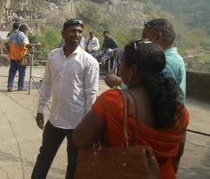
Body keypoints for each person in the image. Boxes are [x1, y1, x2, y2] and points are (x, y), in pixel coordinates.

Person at [73, 40, 188, 179]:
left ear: (132, 70)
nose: (120, 66)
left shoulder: (114, 101)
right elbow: (178, 152)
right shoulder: (180, 111)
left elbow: (80, 138)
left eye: (122, 62)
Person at [32, 19, 99, 179]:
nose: (76, 34)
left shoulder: (89, 61)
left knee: (74, 165)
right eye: (72, 31)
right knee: (43, 159)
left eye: (79, 31)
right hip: (55, 120)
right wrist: (40, 109)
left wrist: (89, 125)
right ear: (63, 34)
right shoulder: (53, 56)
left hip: (78, 123)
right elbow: (47, 83)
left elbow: (91, 94)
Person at [105, 19, 187, 103]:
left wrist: (119, 81)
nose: (141, 40)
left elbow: (150, 95)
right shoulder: (174, 58)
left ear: (157, 37)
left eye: (144, 36)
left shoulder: (165, 63)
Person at [6, 24, 41, 92]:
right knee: (21, 73)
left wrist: (9, 49)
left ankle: (10, 87)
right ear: (25, 30)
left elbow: (5, 42)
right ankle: (20, 87)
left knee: (12, 73)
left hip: (13, 57)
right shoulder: (23, 36)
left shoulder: (12, 35)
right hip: (21, 58)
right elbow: (27, 45)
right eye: (27, 31)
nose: (27, 32)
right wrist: (37, 44)